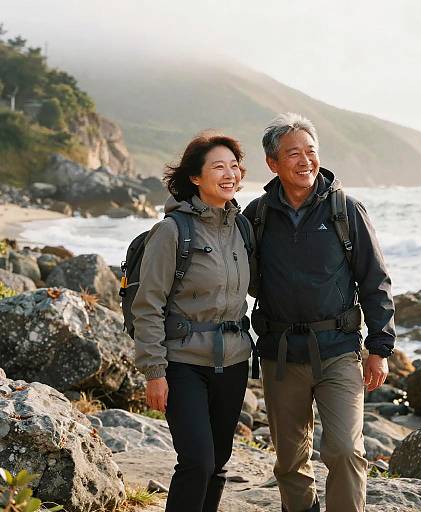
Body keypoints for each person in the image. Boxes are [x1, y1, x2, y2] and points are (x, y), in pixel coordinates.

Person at [243, 113, 396, 512]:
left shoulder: (345, 210)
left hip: (339, 351)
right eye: (293, 153)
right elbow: (230, 275)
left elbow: (374, 279)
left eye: (311, 151)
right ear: (272, 163)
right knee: (290, 460)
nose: (305, 160)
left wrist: (379, 347)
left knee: (345, 449)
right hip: (279, 355)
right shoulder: (256, 216)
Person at [132, 133, 254, 512]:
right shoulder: (172, 232)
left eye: (234, 166)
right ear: (196, 178)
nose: (229, 173)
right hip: (184, 365)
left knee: (217, 465)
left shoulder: (243, 228)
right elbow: (148, 304)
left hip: (233, 364)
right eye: (218, 166)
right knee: (197, 462)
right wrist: (154, 371)